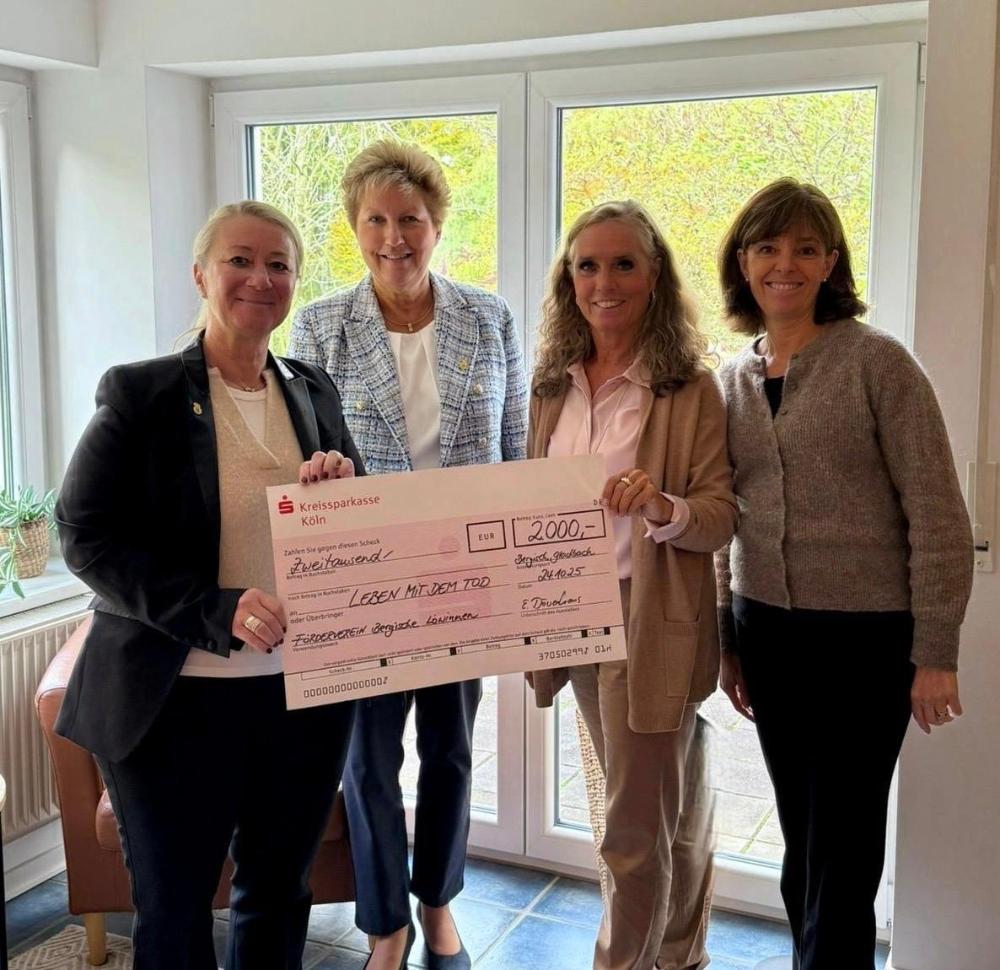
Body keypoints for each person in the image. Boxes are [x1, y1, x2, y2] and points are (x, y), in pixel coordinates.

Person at [55, 201, 362, 970]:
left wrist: (343, 486)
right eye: (240, 260)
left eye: (279, 265)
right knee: (176, 906)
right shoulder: (143, 394)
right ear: (201, 274)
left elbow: (359, 515)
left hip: (302, 695)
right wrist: (211, 611)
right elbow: (83, 535)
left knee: (279, 892)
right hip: (173, 699)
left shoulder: (312, 388)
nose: (261, 278)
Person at [714, 177, 974, 970]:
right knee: (803, 838)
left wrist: (936, 653)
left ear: (830, 262)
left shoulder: (877, 364)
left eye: (805, 249)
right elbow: (725, 522)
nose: (785, 264)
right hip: (767, 633)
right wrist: (728, 642)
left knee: (846, 845)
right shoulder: (730, 378)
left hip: (866, 643)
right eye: (767, 247)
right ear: (743, 262)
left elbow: (938, 515)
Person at [288, 139, 527, 970]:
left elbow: (515, 447)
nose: (395, 237)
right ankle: (386, 922)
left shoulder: (489, 317)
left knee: (451, 752)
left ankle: (439, 901)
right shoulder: (320, 324)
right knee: (370, 758)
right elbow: (305, 452)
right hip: (367, 579)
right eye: (376, 220)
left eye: (411, 219)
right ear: (355, 228)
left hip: (465, 573)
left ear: (437, 224)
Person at [527, 200, 738, 970]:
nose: (603, 282)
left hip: (648, 619)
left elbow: (720, 517)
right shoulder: (550, 386)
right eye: (587, 265)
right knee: (657, 808)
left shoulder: (689, 389)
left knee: (630, 830)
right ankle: (679, 955)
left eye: (623, 264)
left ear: (654, 278)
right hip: (572, 610)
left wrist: (660, 506)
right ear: (568, 280)